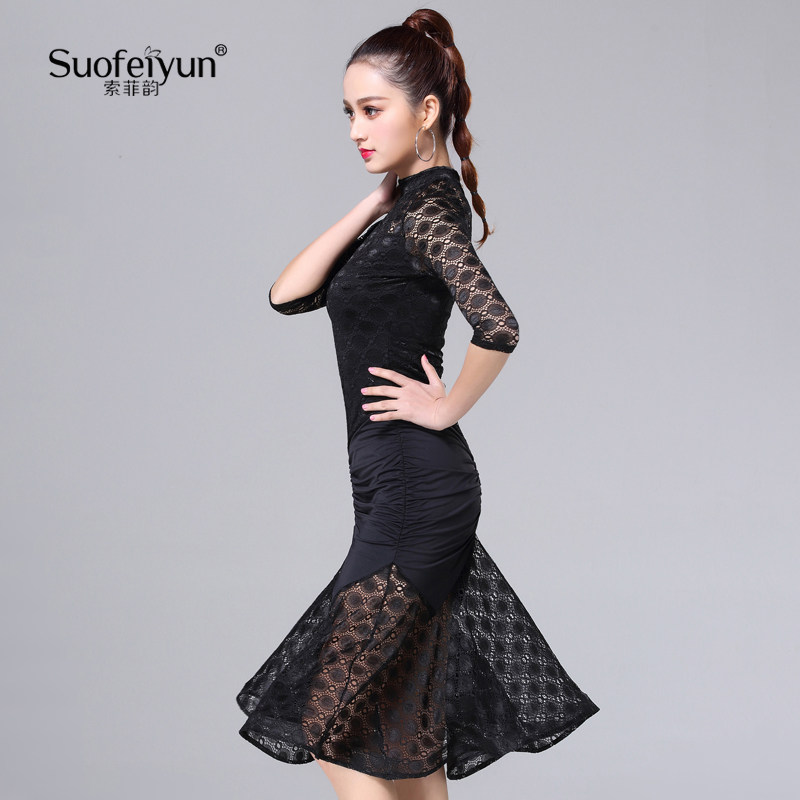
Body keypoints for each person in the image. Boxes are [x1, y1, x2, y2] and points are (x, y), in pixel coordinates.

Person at [236, 9, 599, 799]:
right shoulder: (402, 213)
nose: (356, 129)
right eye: (349, 112)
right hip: (394, 487)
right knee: (400, 724)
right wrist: (371, 204)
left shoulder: (430, 214)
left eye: (373, 110)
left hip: (412, 489)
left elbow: (498, 325)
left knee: (327, 724)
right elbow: (286, 294)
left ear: (425, 110)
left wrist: (447, 406)